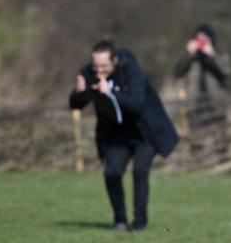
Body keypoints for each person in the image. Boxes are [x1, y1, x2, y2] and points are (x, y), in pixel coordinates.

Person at [69, 40, 179, 231]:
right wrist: (79, 93)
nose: (99, 71)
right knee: (112, 173)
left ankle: (139, 222)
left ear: (115, 61)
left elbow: (136, 103)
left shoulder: (132, 71)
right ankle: (119, 220)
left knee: (140, 171)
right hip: (117, 133)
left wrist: (111, 92)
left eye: (104, 66)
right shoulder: (91, 72)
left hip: (144, 132)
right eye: (96, 66)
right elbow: (76, 104)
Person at [171, 23, 231, 154]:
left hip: (216, 102)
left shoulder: (219, 53)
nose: (201, 43)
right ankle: (197, 160)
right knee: (196, 136)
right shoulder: (191, 57)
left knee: (220, 137)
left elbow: (226, 72)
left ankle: (221, 158)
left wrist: (211, 55)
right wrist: (188, 54)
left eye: (204, 39)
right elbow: (177, 71)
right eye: (198, 39)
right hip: (195, 101)